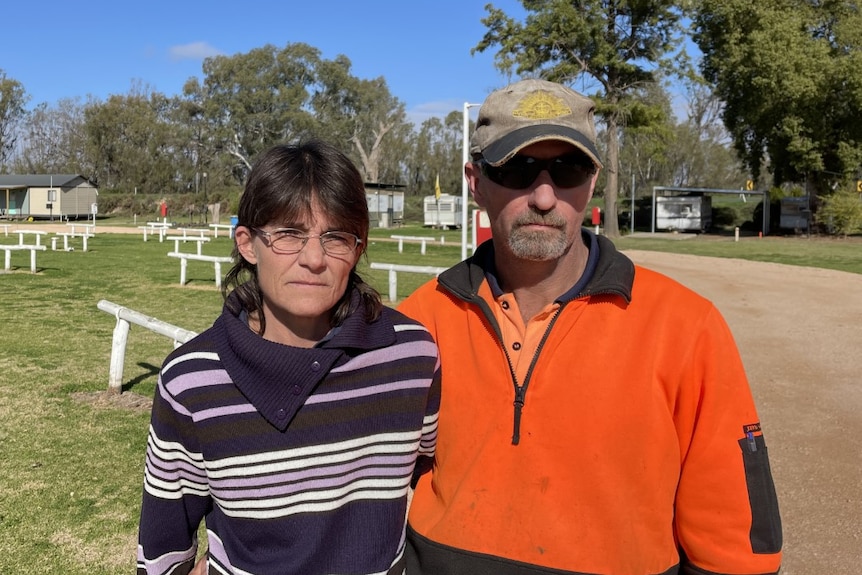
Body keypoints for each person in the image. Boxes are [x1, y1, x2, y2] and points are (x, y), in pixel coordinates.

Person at [398, 79, 782, 575]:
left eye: (568, 169)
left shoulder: (686, 326)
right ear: (476, 182)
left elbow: (734, 544)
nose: (543, 196)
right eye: (515, 170)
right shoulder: (417, 322)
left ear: (593, 179)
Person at [136, 140, 441, 575]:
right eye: (288, 234)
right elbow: (163, 551)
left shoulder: (411, 356)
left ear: (358, 247)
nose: (314, 258)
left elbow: (430, 475)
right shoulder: (192, 381)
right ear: (247, 243)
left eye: (335, 236)